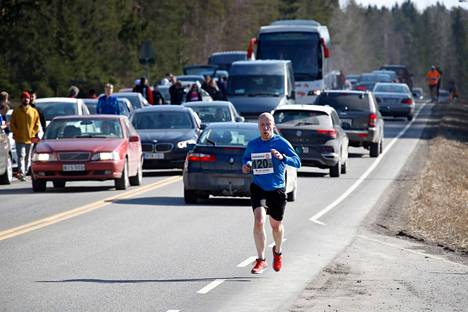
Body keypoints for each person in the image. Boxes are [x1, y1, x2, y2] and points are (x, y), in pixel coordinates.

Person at [242, 112, 301, 274]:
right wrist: (246, 166)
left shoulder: (281, 142)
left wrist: (283, 157)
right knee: (259, 220)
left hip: (277, 189)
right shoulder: (253, 144)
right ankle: (261, 260)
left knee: (276, 226)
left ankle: (278, 251)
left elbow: (297, 162)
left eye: (268, 124)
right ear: (258, 127)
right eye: (262, 125)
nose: (266, 127)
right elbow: (246, 160)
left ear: (273, 125)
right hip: (258, 187)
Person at [10, 91, 41, 181]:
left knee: (28, 157)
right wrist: (16, 132)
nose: (26, 99)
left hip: (30, 139)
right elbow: (12, 124)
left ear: (29, 99)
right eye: (24, 98)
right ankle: (22, 173)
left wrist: (33, 133)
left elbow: (37, 124)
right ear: (21, 99)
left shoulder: (34, 111)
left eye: (27, 98)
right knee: (21, 156)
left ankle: (25, 171)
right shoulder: (16, 111)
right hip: (19, 138)